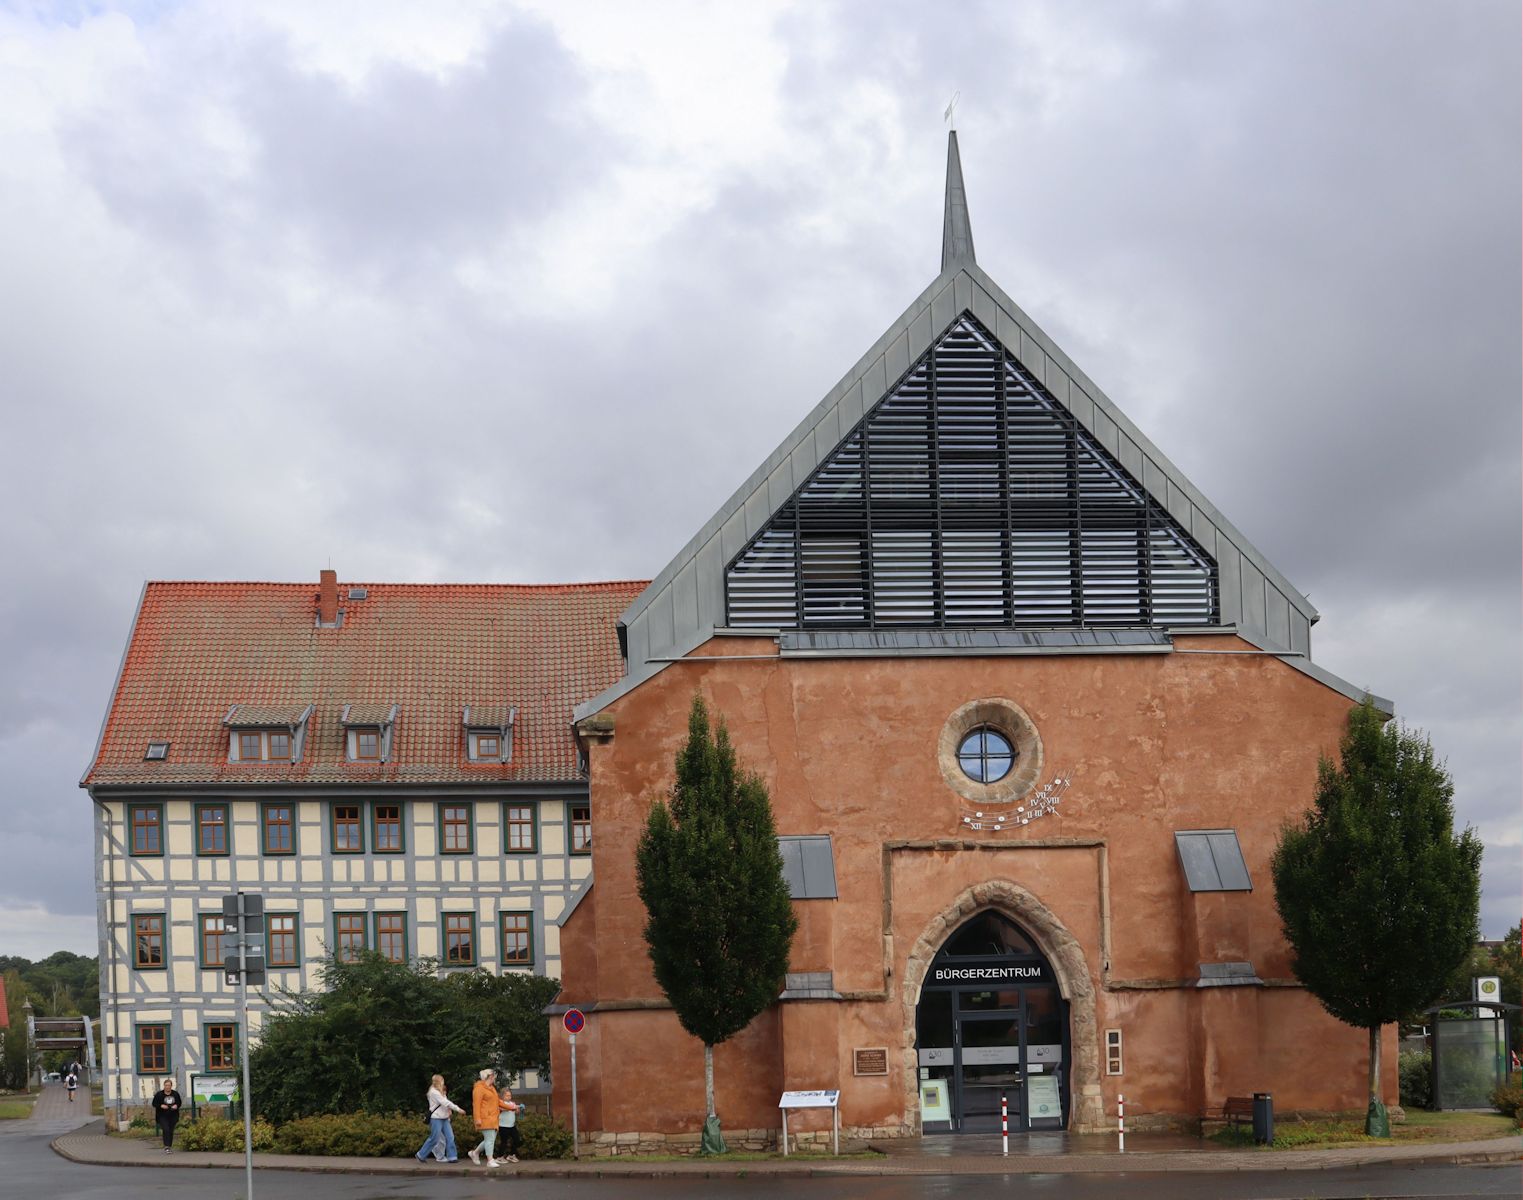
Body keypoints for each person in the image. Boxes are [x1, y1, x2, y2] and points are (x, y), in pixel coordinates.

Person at [415, 1074, 464, 1163]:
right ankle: (421, 1155)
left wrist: (449, 1111)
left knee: (450, 1137)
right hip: (436, 1118)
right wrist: (458, 1109)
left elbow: (445, 1103)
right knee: (434, 1138)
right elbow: (445, 1102)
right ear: (439, 1081)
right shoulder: (434, 1092)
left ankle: (452, 1157)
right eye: (442, 1080)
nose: (443, 1082)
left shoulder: (440, 1091)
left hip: (444, 1117)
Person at [468, 1069, 502, 1166]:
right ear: (490, 1076)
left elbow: (498, 1102)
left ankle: (475, 1153)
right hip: (485, 1118)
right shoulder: (479, 1089)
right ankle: (490, 1160)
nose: (494, 1077)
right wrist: (477, 1119)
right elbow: (476, 1105)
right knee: (490, 1140)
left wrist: (512, 1107)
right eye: (493, 1075)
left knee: (489, 1140)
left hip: (493, 1118)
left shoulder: (492, 1088)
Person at [150, 1077, 182, 1152]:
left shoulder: (175, 1094)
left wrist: (176, 1106)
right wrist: (161, 1105)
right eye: (166, 1085)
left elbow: (179, 1103)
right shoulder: (159, 1094)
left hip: (173, 1115)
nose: (167, 1087)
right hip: (162, 1115)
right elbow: (154, 1103)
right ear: (164, 1086)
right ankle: (166, 1146)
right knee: (166, 1129)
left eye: (169, 1085)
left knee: (170, 1130)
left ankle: (169, 1146)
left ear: (171, 1086)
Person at [497, 1085, 522, 1164]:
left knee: (517, 1140)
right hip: (503, 1126)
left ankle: (511, 1155)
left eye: (510, 1095)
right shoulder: (500, 1103)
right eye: (507, 1095)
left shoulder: (512, 1103)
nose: (509, 1097)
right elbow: (504, 1109)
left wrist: (518, 1109)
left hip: (512, 1126)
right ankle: (499, 1157)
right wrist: (513, 1107)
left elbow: (516, 1112)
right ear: (502, 1096)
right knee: (504, 1142)